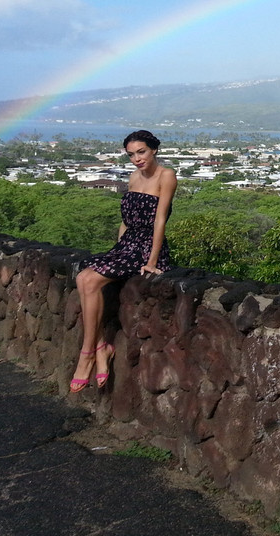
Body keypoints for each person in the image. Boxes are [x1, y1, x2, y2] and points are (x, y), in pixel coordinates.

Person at [70, 130, 177, 393]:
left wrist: (152, 260)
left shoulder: (167, 176)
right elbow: (125, 221)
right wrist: (117, 249)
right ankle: (100, 348)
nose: (137, 159)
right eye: (131, 154)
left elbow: (160, 221)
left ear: (154, 150)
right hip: (127, 245)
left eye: (141, 152)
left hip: (146, 248)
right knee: (84, 276)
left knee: (91, 280)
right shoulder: (132, 178)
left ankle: (87, 356)